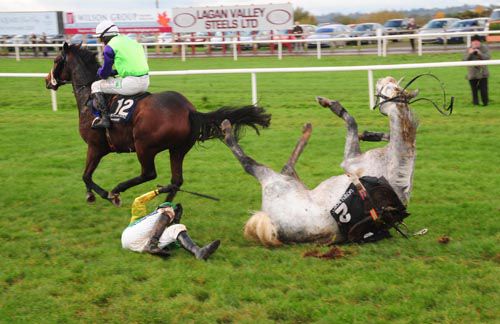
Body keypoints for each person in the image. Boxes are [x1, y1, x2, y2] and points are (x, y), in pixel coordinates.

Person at [121, 187, 221, 260]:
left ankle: (198, 252)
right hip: (130, 235)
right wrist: (159, 191)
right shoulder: (139, 217)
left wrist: (177, 221)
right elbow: (138, 201)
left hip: (141, 246)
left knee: (178, 228)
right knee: (168, 207)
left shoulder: (160, 230)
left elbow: (176, 245)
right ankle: (152, 245)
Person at [90, 20, 150, 129]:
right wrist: (114, 72)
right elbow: (131, 65)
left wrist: (100, 71)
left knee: (96, 85)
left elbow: (104, 74)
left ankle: (105, 119)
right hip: (145, 82)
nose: (101, 41)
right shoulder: (132, 42)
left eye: (100, 38)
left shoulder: (110, 47)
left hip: (131, 84)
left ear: (105, 36)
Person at [463, 35, 490, 106]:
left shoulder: (484, 48)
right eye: (474, 42)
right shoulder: (468, 49)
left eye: (477, 41)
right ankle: (475, 103)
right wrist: (469, 53)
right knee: (474, 90)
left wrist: (480, 53)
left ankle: (485, 103)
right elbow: (464, 60)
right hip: (472, 74)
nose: (475, 43)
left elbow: (488, 58)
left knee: (484, 90)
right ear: (471, 42)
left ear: (480, 42)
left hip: (483, 74)